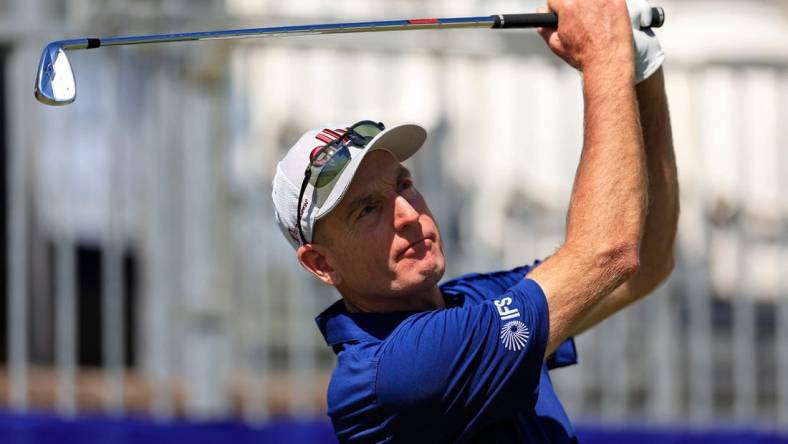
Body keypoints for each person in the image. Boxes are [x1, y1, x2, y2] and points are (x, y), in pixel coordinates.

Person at [271, 0, 678, 441]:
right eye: (367, 209)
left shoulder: (471, 300)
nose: (407, 215)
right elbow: (606, 253)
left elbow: (643, 263)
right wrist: (605, 55)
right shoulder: (390, 372)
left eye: (404, 185)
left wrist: (640, 69)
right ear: (320, 263)